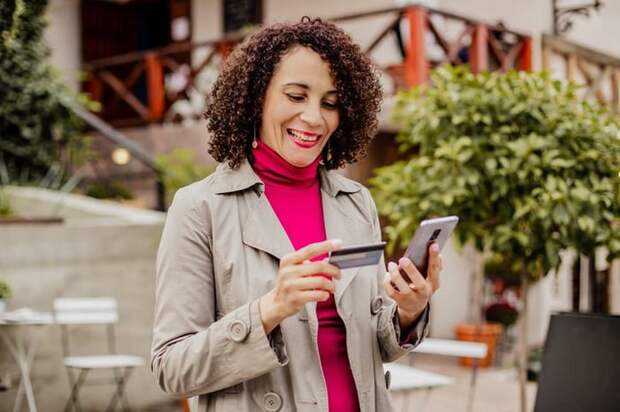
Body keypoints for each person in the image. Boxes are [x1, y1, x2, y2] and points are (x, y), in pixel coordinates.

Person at [151, 17, 443, 412]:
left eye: (330, 103)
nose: (313, 118)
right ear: (257, 97)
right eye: (295, 95)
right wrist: (269, 309)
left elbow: (374, 345)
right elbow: (172, 368)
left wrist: (408, 312)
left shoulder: (356, 201)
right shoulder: (200, 208)